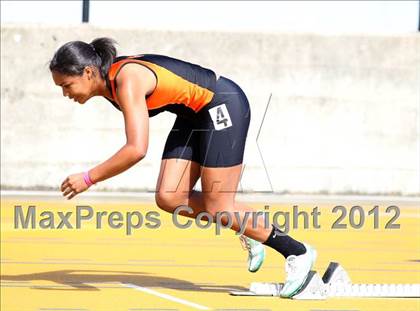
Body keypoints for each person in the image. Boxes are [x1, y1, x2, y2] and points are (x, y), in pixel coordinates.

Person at [50, 37, 317, 298]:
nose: (65, 94)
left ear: (87, 72)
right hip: (192, 115)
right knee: (170, 197)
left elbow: (136, 149)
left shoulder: (126, 80)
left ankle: (297, 251)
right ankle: (247, 226)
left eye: (67, 85)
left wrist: (88, 178)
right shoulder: (109, 82)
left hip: (221, 104)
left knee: (219, 206)